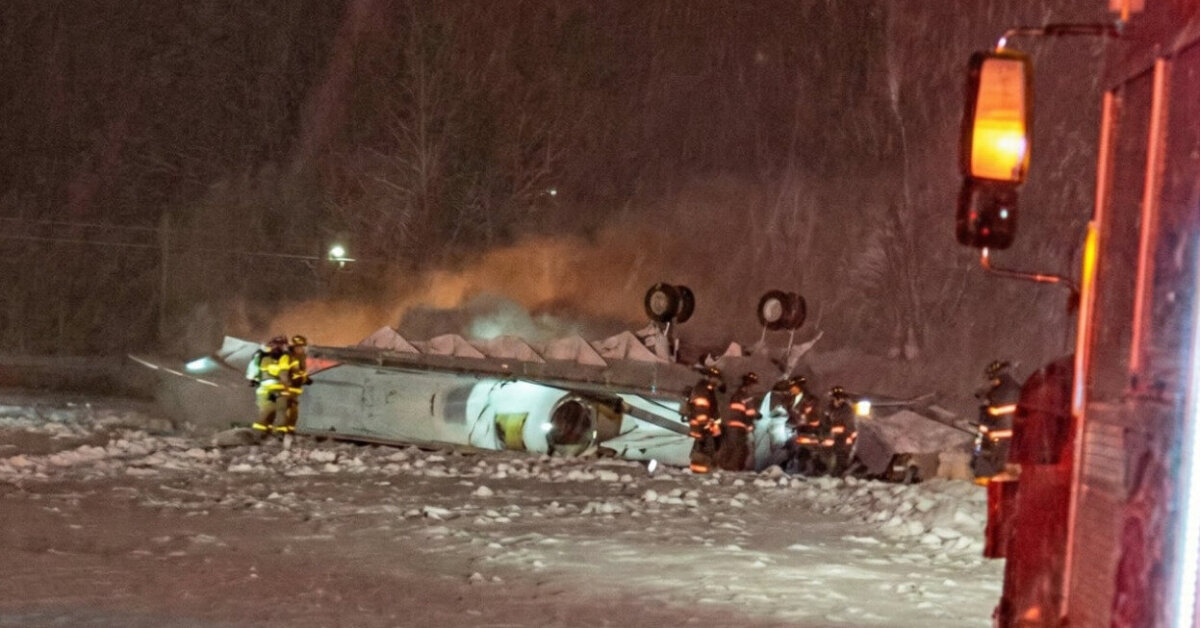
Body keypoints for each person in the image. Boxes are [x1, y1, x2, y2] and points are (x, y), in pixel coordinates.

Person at [973, 360, 1021, 479]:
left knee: (1002, 467)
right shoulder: (1015, 388)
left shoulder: (998, 393)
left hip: (1003, 437)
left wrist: (986, 402)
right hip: (1016, 436)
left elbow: (992, 417)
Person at [716, 372, 759, 471]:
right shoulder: (747, 396)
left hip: (730, 424)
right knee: (738, 447)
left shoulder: (736, 394)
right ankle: (731, 467)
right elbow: (750, 412)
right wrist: (751, 424)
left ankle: (722, 465)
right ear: (750, 385)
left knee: (729, 445)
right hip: (739, 425)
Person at [246, 336, 289, 436]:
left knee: (268, 413)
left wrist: (252, 379)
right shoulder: (284, 357)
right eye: (276, 345)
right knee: (274, 412)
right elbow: (285, 374)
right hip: (275, 389)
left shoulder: (262, 356)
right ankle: (270, 434)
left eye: (279, 345)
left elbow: (252, 371)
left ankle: (263, 434)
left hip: (266, 388)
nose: (277, 347)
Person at [685, 366, 723, 474]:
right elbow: (701, 408)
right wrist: (704, 425)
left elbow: (712, 411)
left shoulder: (708, 389)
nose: (718, 381)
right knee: (702, 448)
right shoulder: (702, 389)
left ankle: (703, 469)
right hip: (702, 425)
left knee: (706, 448)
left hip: (707, 425)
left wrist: (715, 430)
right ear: (710, 377)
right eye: (716, 378)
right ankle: (699, 472)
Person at [275, 335, 312, 436]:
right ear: (294, 347)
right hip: (286, 390)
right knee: (283, 411)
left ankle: (289, 431)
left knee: (293, 412)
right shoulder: (286, 357)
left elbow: (300, 372)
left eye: (303, 347)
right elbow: (283, 373)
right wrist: (286, 387)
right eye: (299, 347)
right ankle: (281, 432)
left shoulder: (301, 358)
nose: (302, 349)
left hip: (295, 390)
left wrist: (306, 379)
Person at [822, 386, 857, 476]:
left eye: (839, 398)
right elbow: (825, 421)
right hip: (831, 434)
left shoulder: (847, 410)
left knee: (840, 450)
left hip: (844, 435)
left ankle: (839, 470)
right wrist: (827, 428)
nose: (837, 400)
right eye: (835, 398)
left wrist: (842, 430)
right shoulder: (829, 408)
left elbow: (849, 425)